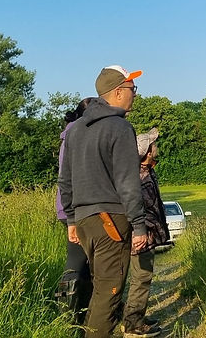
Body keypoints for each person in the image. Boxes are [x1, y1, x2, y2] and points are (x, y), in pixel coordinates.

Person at [58, 65, 150, 338]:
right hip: (111, 219)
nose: (134, 94)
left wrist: (72, 221)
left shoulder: (75, 130)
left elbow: (65, 180)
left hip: (85, 222)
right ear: (118, 92)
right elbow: (128, 182)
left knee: (100, 289)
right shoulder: (119, 127)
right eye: (132, 89)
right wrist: (140, 225)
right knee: (108, 293)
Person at [121, 127, 170, 336]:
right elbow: (136, 207)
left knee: (143, 278)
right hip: (141, 235)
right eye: (152, 144)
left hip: (146, 234)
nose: (156, 146)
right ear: (147, 152)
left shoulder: (147, 171)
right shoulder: (138, 176)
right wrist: (140, 231)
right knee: (141, 279)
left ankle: (136, 317)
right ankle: (133, 324)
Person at [55, 97, 96, 328]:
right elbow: (68, 178)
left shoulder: (70, 133)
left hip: (70, 207)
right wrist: (72, 215)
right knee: (77, 265)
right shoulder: (76, 135)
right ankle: (72, 319)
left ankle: (74, 317)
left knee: (78, 265)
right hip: (76, 208)